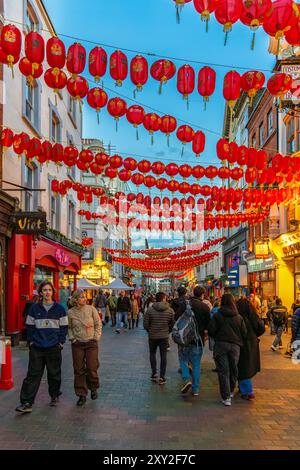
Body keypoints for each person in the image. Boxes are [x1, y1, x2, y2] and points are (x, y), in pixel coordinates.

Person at [16, 281, 68, 414]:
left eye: (49, 290)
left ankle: (54, 394)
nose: (47, 292)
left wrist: (60, 342)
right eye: (44, 290)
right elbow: (29, 326)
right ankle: (27, 402)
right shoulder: (34, 308)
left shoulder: (60, 309)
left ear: (53, 292)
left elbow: (64, 328)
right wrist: (31, 342)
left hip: (54, 347)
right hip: (37, 347)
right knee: (33, 375)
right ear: (41, 293)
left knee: (54, 374)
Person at [208, 293, 247, 407]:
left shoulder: (217, 315)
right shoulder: (239, 317)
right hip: (235, 346)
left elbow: (211, 330)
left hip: (220, 345)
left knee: (223, 371)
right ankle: (230, 392)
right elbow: (244, 332)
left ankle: (226, 398)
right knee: (233, 369)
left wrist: (217, 336)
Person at [68, 289, 102, 406]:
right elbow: (69, 327)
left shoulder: (91, 309)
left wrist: (96, 337)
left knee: (92, 367)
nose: (84, 299)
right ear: (76, 300)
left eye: (84, 296)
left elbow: (98, 324)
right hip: (78, 344)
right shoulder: (71, 312)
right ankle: (81, 394)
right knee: (79, 369)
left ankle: (93, 388)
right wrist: (72, 338)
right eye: (82, 297)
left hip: (91, 343)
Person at [179, 286, 211, 396]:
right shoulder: (205, 307)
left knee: (183, 360)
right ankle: (195, 389)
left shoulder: (185, 304)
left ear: (193, 293)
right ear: (202, 295)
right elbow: (208, 325)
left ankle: (186, 378)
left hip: (184, 339)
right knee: (196, 363)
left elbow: (177, 319)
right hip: (198, 340)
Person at [236, 298, 265, 400]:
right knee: (247, 366)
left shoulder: (238, 317)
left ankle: (248, 391)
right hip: (252, 343)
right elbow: (261, 328)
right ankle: (243, 387)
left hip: (242, 344)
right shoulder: (253, 316)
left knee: (243, 367)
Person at [143, 292, 175, 385]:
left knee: (152, 354)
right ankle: (162, 377)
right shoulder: (170, 310)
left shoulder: (150, 310)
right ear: (164, 298)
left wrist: (150, 330)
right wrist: (167, 331)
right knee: (163, 356)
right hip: (164, 336)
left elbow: (145, 324)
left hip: (152, 336)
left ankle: (154, 373)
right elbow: (172, 324)